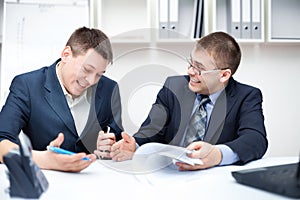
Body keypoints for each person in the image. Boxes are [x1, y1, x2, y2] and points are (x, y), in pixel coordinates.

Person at [96, 31, 268, 171]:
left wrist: (217, 154)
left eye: (200, 69)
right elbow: (152, 130)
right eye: (191, 63)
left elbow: (255, 139)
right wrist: (135, 146)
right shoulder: (174, 86)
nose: (191, 72)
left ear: (224, 75)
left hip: (213, 180)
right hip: (169, 177)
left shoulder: (246, 96)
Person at [0, 27, 123, 172]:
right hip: (46, 179)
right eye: (87, 70)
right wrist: (43, 160)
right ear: (66, 55)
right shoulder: (27, 86)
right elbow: (2, 140)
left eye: (99, 74)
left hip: (93, 181)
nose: (91, 80)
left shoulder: (110, 88)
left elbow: (118, 141)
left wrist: (110, 148)